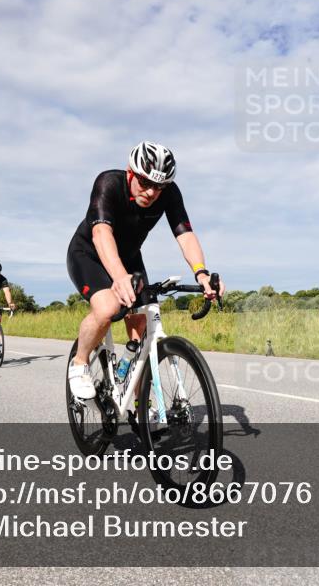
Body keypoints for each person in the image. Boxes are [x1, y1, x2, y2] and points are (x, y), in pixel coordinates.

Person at [66, 141, 224, 398]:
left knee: (142, 321)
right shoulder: (109, 183)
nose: (151, 192)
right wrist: (118, 278)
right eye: (145, 182)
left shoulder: (170, 194)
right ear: (130, 172)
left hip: (130, 259)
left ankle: (139, 403)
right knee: (108, 309)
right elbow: (101, 232)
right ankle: (80, 362)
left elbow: (185, 235)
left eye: (159, 186)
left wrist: (202, 273)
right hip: (89, 253)